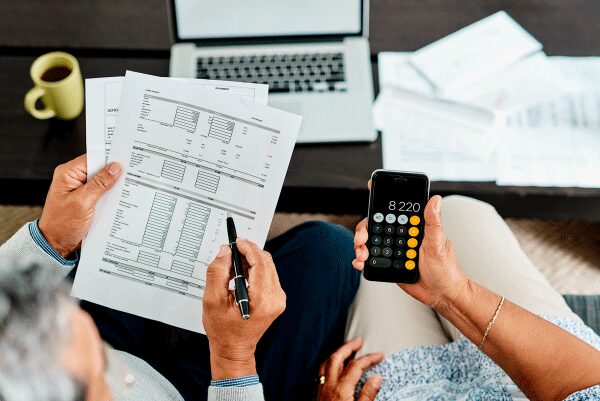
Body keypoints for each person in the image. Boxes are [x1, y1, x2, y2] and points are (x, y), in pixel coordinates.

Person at [0, 154, 376, 401]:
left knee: (132, 219)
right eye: (101, 370)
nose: (120, 376)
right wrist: (233, 358)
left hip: (126, 346)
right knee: (328, 251)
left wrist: (50, 240)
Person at [320, 192, 600, 400]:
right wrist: (453, 293)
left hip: (414, 392)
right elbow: (587, 381)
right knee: (459, 211)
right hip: (552, 378)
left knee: (379, 276)